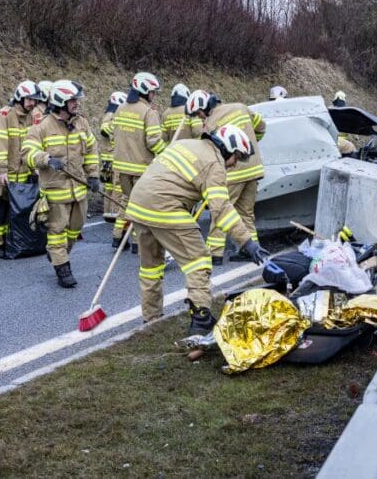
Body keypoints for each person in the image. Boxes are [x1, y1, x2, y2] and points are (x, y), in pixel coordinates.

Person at [125, 125, 269, 334]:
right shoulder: (214, 164)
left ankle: (152, 318)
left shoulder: (186, 144)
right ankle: (201, 320)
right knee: (199, 261)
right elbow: (221, 208)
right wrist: (247, 242)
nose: (234, 163)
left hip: (138, 205)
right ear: (227, 148)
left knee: (151, 267)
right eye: (236, 157)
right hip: (165, 207)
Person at [22, 80, 100, 288]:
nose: (76, 103)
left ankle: (58, 253)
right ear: (60, 101)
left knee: (75, 229)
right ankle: (62, 268)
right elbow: (27, 153)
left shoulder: (82, 123)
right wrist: (46, 159)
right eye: (72, 100)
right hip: (56, 192)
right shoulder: (42, 126)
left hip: (79, 190)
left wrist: (93, 175)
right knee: (56, 231)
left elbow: (91, 150)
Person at [186, 90, 266, 264]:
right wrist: (249, 146)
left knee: (220, 212)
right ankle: (251, 250)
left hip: (232, 173)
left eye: (199, 113)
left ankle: (214, 253)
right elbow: (261, 127)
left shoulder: (210, 124)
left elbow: (209, 152)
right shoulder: (242, 108)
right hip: (253, 169)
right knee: (246, 213)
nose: (199, 118)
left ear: (206, 107)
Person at [0, 80, 46, 256]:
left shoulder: (31, 117)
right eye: (30, 99)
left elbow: (32, 145)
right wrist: (1, 171)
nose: (33, 103)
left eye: (35, 100)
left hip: (21, 173)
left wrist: (34, 166)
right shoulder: (4, 115)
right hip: (2, 173)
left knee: (14, 212)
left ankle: (8, 243)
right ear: (20, 97)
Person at [111, 72, 165, 252]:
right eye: (152, 92)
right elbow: (154, 141)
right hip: (141, 167)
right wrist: (166, 154)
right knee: (141, 205)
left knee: (126, 201)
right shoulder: (148, 112)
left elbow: (114, 135)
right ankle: (137, 242)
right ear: (145, 91)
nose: (154, 95)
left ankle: (117, 236)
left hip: (121, 167)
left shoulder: (120, 109)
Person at [99, 91, 128, 223]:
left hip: (108, 158)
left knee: (110, 188)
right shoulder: (111, 115)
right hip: (112, 158)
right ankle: (114, 212)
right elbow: (104, 129)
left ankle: (109, 212)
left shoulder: (109, 114)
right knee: (116, 187)